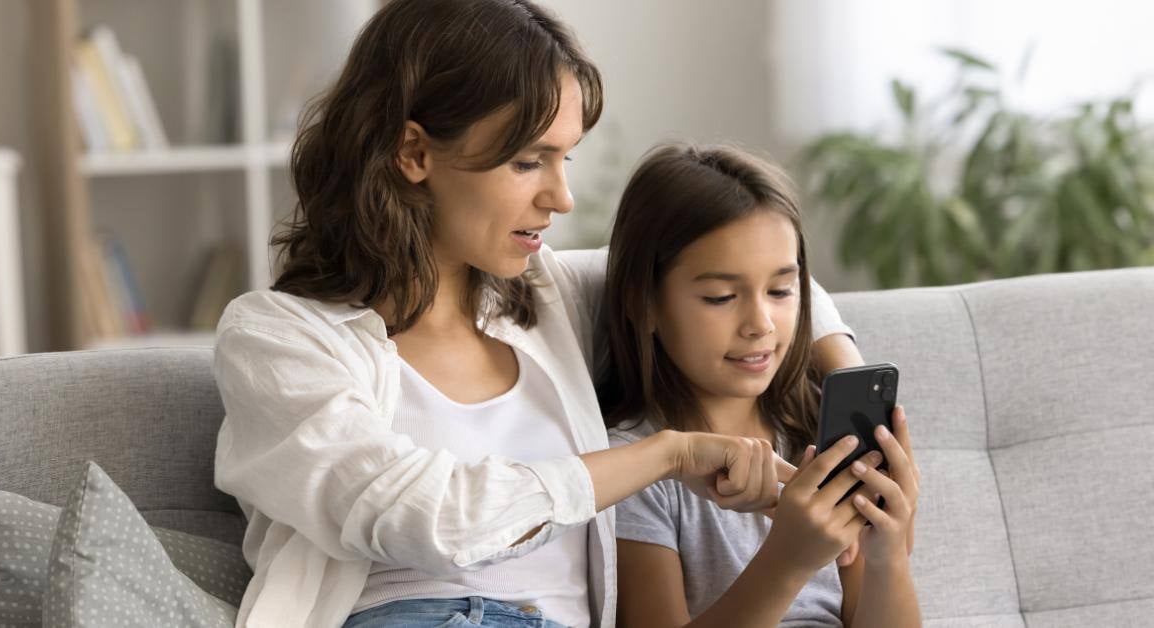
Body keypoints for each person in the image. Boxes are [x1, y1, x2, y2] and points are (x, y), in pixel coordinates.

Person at [211, 2, 864, 626]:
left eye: (565, 157)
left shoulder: (544, 295)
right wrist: (668, 455)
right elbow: (429, 518)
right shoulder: (278, 339)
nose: (563, 197)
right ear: (414, 153)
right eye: (528, 162)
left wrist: (854, 388)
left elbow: (736, 270)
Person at [601, 144, 922, 628]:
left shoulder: (819, 432)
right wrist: (788, 560)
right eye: (721, 297)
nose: (760, 324)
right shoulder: (636, 465)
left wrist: (887, 551)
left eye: (780, 291)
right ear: (644, 302)